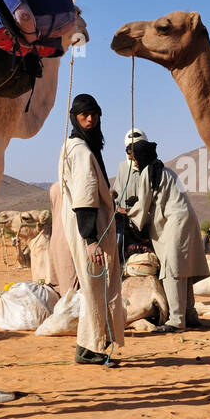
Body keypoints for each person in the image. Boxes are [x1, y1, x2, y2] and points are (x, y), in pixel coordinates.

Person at [58, 93, 126, 366]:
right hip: (89, 228)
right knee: (95, 286)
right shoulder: (81, 150)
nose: (90, 118)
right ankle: (93, 348)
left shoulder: (77, 146)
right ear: (74, 117)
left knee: (93, 287)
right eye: (84, 114)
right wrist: (91, 239)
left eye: (94, 114)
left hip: (90, 225)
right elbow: (85, 197)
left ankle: (88, 347)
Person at [124, 136, 210, 332]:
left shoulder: (148, 172)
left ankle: (176, 321)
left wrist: (127, 213)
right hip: (188, 220)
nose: (134, 162)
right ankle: (190, 314)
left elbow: (144, 203)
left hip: (176, 222)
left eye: (135, 158)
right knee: (184, 270)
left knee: (172, 270)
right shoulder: (167, 171)